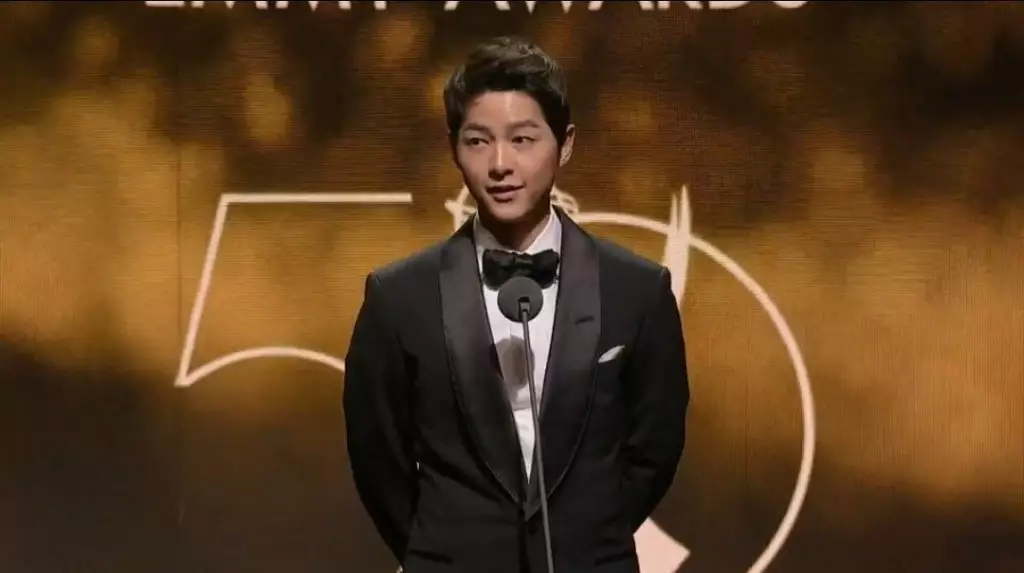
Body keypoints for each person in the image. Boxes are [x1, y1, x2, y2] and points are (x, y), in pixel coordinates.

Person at [343, 35, 689, 573]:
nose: (500, 163)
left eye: (523, 139)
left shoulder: (637, 290)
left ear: (565, 144)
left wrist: (588, 533)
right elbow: (377, 458)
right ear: (453, 148)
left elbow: (654, 448)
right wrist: (446, 547)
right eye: (478, 141)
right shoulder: (399, 297)